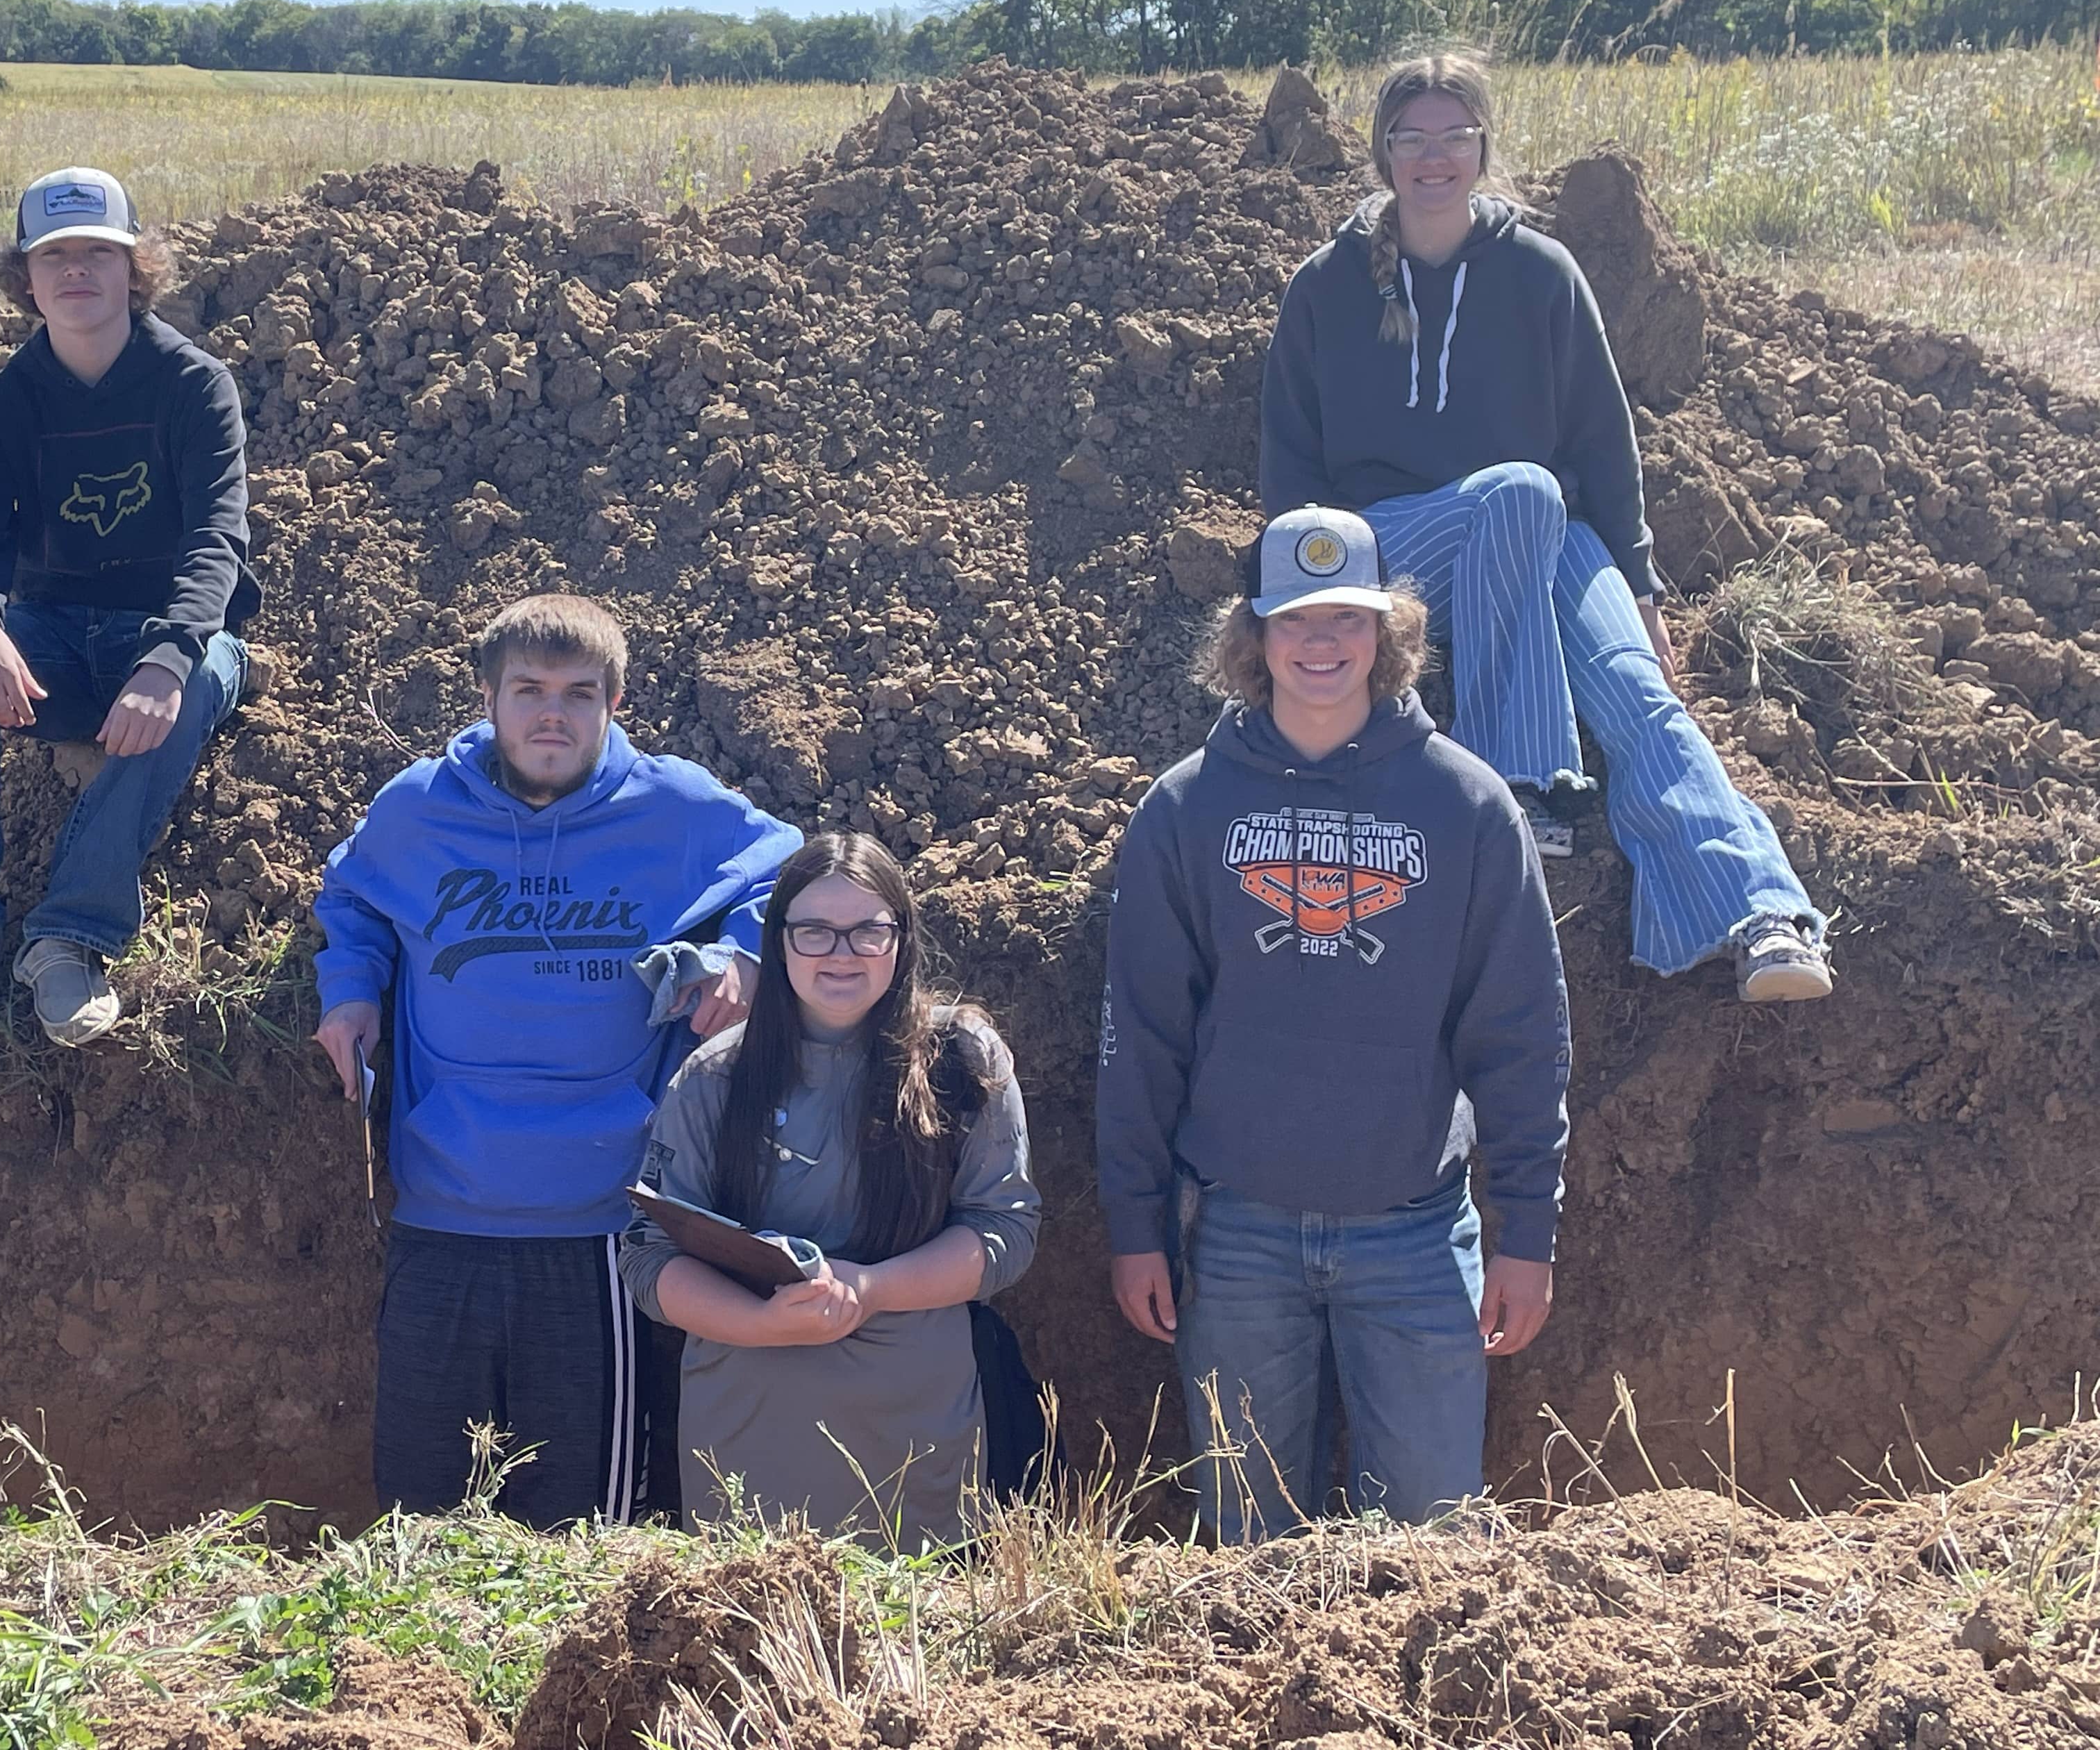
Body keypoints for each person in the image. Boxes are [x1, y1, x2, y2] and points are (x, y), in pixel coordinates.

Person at [1258, 50, 1832, 1003]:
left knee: (1637, 693)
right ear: (1383, 153)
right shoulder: (1325, 287)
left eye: (1454, 138)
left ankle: (1758, 911)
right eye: (1413, 139)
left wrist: (1641, 588)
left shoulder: (1539, 274)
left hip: (1545, 534)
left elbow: (1604, 440)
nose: (1433, 158)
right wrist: (1303, 590)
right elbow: (1290, 459)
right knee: (1522, 491)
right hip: (1397, 547)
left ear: (1484, 149)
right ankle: (1516, 786)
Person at [1099, 506, 1569, 1543]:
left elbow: (1521, 1036)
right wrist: (1136, 1228)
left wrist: (1526, 1233)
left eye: (1347, 619)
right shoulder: (1187, 812)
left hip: (1412, 1232)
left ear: (1386, 633)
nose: (1322, 643)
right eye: (1295, 619)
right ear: (1254, 638)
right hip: (1235, 1239)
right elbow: (1142, 1036)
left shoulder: (1468, 808)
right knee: (1252, 1550)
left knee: (1433, 1551)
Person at [312, 594, 802, 1528]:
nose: (552, 713)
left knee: (583, 1524)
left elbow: (791, 868)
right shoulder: (419, 808)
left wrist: (741, 955)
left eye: (580, 694)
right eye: (529, 689)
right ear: (488, 699)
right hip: (440, 1209)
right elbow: (353, 895)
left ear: (613, 703)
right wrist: (351, 991)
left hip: (600, 1230)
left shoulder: (674, 807)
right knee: (419, 1503)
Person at [0, 167, 259, 1049]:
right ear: (27, 278)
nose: (76, 272)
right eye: (55, 256)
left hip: (161, 639)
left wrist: (168, 655)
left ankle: (71, 933)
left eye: (98, 253)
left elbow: (216, 542)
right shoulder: (1, 407)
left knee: (198, 673)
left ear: (135, 269)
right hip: (49, 640)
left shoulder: (194, 387)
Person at [619, 831, 1039, 1551]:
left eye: (868, 930)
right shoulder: (714, 1078)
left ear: (902, 939)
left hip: (917, 1450)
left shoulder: (962, 1061)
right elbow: (651, 1260)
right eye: (815, 931)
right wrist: (762, 1325)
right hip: (746, 1453)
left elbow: (1005, 1233)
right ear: (778, 940)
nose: (841, 954)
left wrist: (869, 1288)